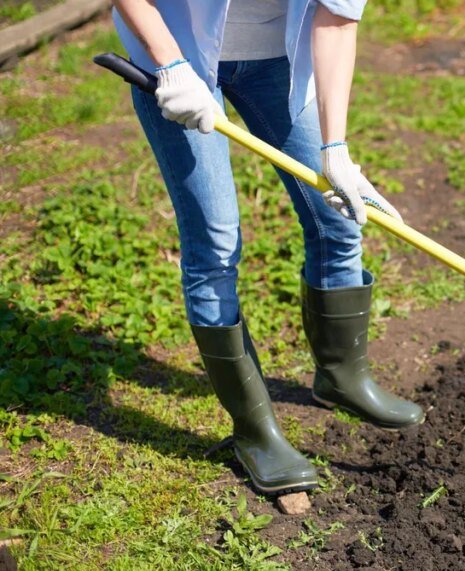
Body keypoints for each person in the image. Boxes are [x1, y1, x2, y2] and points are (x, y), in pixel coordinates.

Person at [112, 0, 425, 496]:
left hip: (276, 57)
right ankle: (255, 431)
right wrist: (170, 66)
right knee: (215, 241)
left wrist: (336, 148)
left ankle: (343, 377)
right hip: (178, 53)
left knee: (336, 216)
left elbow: (337, 19)